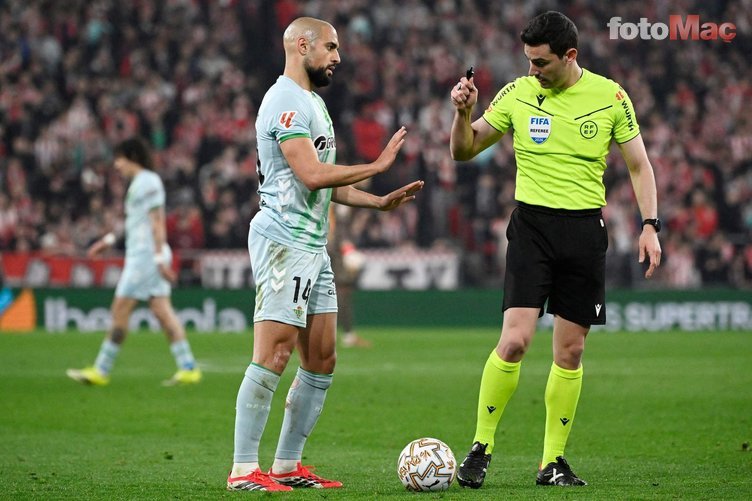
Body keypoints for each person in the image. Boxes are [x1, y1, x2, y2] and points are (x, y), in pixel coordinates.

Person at [449, 11, 661, 488]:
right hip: (533, 228)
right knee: (515, 341)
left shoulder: (610, 96)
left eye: (541, 62)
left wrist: (650, 225)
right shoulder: (517, 94)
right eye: (528, 60)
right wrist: (462, 114)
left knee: (571, 351)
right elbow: (463, 150)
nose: (532, 70)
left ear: (570, 56)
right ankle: (481, 447)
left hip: (584, 233)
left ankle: (552, 462)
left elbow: (640, 165)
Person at [227, 17, 423, 492]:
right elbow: (312, 175)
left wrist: (377, 201)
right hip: (284, 240)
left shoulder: (313, 102)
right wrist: (376, 165)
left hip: (313, 244)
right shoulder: (285, 101)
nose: (337, 57)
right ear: (302, 45)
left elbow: (324, 186)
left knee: (321, 357)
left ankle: (287, 466)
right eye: (331, 47)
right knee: (274, 353)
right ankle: (243, 470)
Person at [66, 138, 201, 387]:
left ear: (132, 157)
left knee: (120, 308)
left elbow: (157, 222)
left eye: (119, 159)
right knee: (162, 311)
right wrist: (107, 241)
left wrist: (159, 259)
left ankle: (101, 370)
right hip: (146, 255)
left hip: (146, 257)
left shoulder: (148, 182)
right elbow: (134, 222)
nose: (116, 165)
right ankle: (188, 367)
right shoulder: (140, 183)